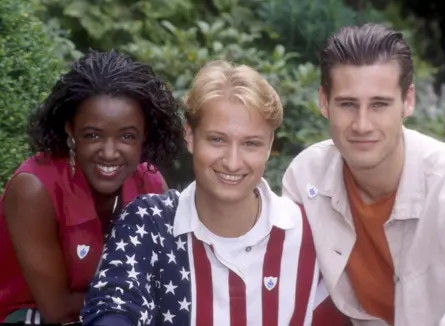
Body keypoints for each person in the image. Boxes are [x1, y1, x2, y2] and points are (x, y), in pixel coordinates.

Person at [79, 60, 351, 326]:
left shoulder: (310, 232)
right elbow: (115, 301)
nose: (232, 162)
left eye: (250, 143)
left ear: (269, 146)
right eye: (217, 140)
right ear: (190, 136)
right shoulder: (149, 221)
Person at [282, 22, 445, 326]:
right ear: (324, 102)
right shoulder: (305, 178)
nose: (362, 124)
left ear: (408, 100)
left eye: (379, 104)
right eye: (348, 104)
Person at [0, 49, 184, 324]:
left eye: (127, 136)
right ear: (70, 131)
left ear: (144, 134)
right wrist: (134, 297)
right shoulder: (34, 189)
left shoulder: (150, 182)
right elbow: (57, 309)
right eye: (93, 135)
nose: (110, 153)